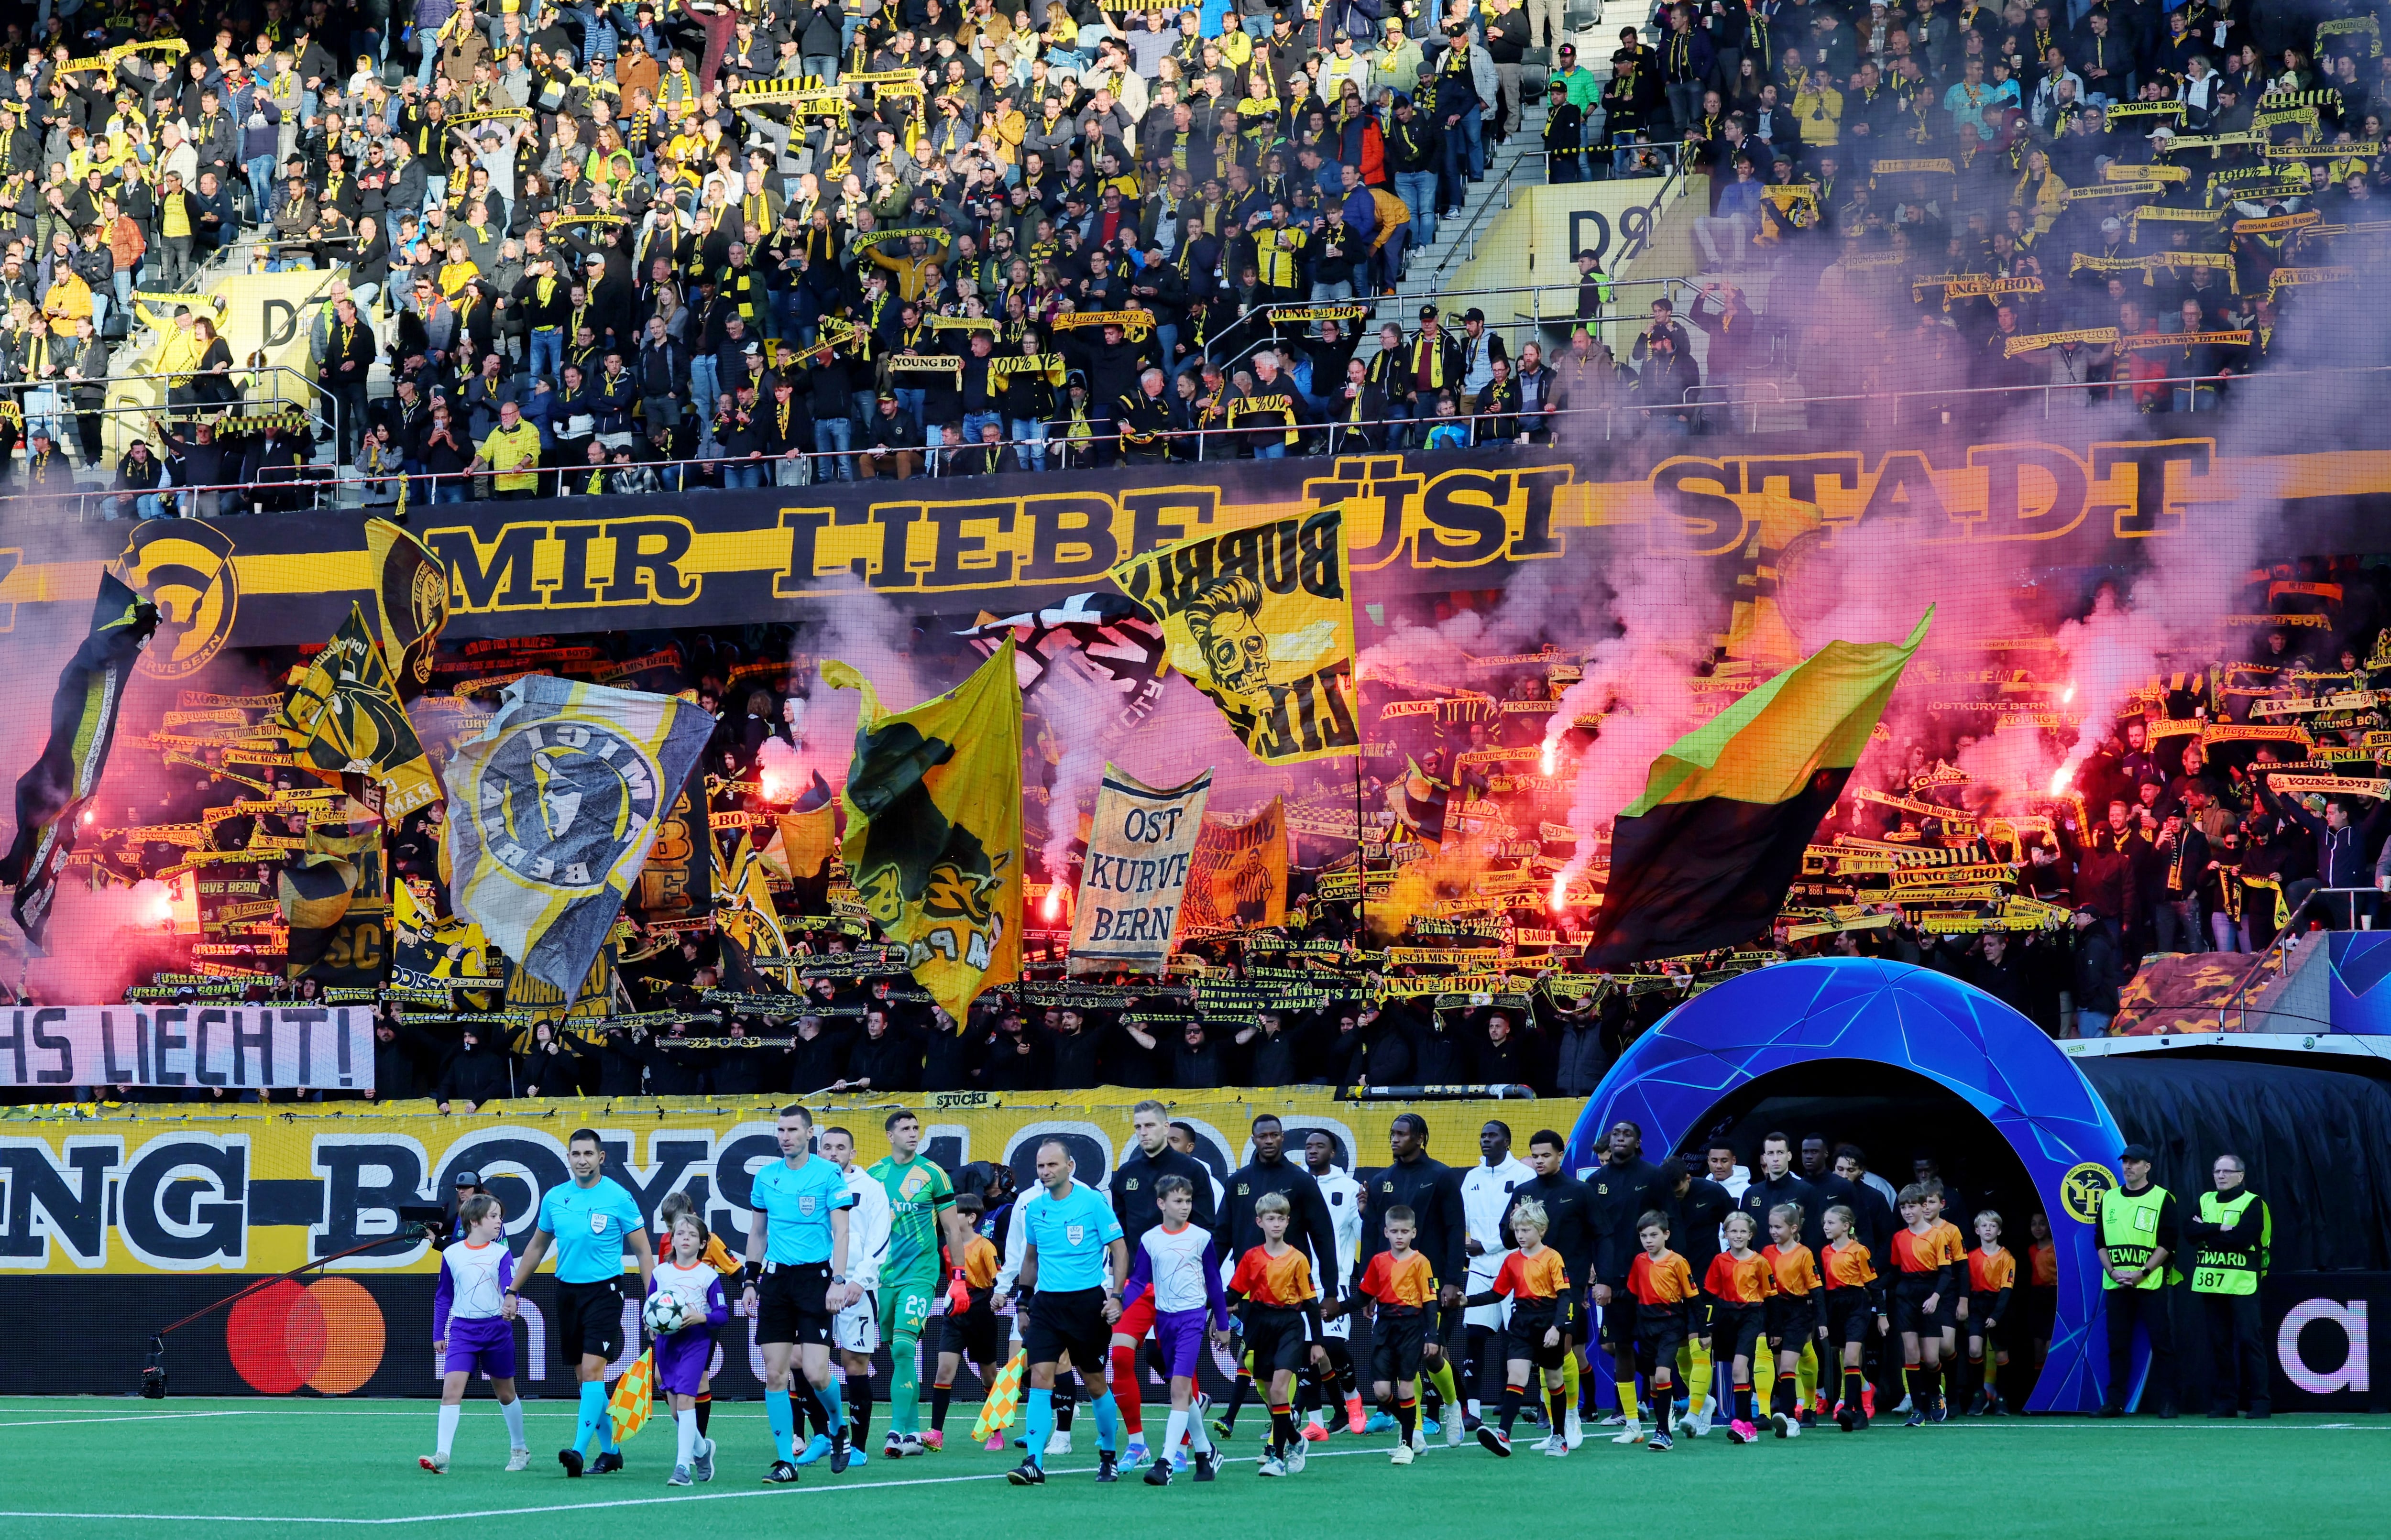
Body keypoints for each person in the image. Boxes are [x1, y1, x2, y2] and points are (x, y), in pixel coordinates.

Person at [500, 1128, 655, 1477]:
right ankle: (612, 1451)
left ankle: (579, 1451)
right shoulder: (556, 1198)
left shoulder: (619, 1197)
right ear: (569, 1157)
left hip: (606, 1291)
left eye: (589, 1153)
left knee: (592, 1371)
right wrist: (512, 1289)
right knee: (584, 1381)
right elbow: (537, 1247)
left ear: (601, 1158)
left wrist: (653, 1299)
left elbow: (644, 1250)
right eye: (576, 1154)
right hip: (567, 1291)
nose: (582, 1159)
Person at [995, 1139, 1130, 1486]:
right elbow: (1030, 1259)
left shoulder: (1092, 1202)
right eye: (1041, 1166)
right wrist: (1023, 1303)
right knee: (1041, 1376)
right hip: (1047, 1305)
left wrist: (1116, 1296)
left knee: (1095, 1381)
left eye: (1052, 1165)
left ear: (1070, 1166)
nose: (1045, 1172)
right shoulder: (1034, 1208)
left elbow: (1119, 1248)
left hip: (1087, 1304)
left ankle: (1108, 1455)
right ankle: (1034, 1462)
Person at [739, 1104, 858, 1484]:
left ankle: (838, 1428)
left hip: (816, 1280)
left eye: (792, 1129)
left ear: (810, 1134)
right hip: (775, 1281)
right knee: (775, 1373)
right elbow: (758, 1233)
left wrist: (838, 1280)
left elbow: (842, 1232)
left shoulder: (828, 1174)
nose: (785, 1136)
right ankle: (784, 1460)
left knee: (815, 1372)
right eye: (780, 1130)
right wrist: (750, 1280)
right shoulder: (766, 1176)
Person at [1108, 1100, 1220, 1463]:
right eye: (1138, 1126)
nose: (1144, 1133)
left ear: (1165, 1126)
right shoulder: (1125, 1174)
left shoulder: (1193, 1170)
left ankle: (1187, 1445)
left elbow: (1206, 1231)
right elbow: (1120, 1240)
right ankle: (1138, 1442)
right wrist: (1116, 1290)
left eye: (1150, 1126)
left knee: (1179, 1368)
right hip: (1140, 1286)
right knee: (1121, 1354)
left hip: (1180, 1286)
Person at [866, 1109, 976, 1457]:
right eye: (905, 1128)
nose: (913, 1133)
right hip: (884, 1276)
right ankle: (914, 1432)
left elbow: (951, 1230)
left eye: (916, 1128)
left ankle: (896, 1431)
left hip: (921, 1273)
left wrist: (957, 1278)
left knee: (903, 1348)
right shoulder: (875, 1175)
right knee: (897, 1355)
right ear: (890, 1135)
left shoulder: (933, 1174)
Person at [1118, 1173, 1229, 1485]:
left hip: (1193, 1318)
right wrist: (1120, 1305)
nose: (1185, 1206)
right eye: (1178, 1201)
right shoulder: (1151, 1238)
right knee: (1185, 1393)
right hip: (1164, 1320)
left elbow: (1215, 1282)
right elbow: (1139, 1280)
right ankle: (1206, 1454)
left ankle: (1165, 1461)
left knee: (1179, 1389)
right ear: (1161, 1203)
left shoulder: (1201, 1237)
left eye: (1188, 1201)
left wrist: (1222, 1323)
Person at [1366, 1114, 1469, 1443]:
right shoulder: (1382, 1180)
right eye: (1392, 1133)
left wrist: (1453, 1279)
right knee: (1405, 1361)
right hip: (1393, 1290)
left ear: (1421, 1137)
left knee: (1432, 1352)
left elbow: (1456, 1230)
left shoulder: (1441, 1176)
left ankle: (1452, 1407)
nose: (1395, 1139)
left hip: (1433, 1282)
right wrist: (1367, 1288)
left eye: (1402, 1133)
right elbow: (1372, 1236)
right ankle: (1416, 1429)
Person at [1225, 1191, 1334, 1479]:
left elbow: (1311, 1303)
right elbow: (1234, 1293)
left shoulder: (1298, 1259)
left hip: (1289, 1324)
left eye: (1281, 1219)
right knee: (1269, 1392)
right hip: (1259, 1325)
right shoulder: (1251, 1257)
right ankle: (1297, 1441)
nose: (1276, 1224)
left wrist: (1318, 1343)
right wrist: (1210, 1304)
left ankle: (1277, 1458)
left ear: (1288, 1222)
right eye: (1270, 1218)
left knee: (1278, 1390)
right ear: (1259, 1222)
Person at [422, 1194, 529, 1475]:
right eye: (493, 1216)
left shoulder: (501, 1253)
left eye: (499, 1216)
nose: (499, 1222)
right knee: (451, 1392)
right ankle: (442, 1454)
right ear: (474, 1221)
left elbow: (510, 1283)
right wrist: (438, 1333)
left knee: (506, 1394)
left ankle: (519, 1449)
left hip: (496, 1330)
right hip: (462, 1332)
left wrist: (511, 1300)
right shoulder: (452, 1254)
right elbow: (444, 1296)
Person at [1464, 1201, 1577, 1458]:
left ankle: (1559, 1437)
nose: (1521, 1236)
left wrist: (1557, 1328)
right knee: (1516, 1376)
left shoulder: (1552, 1257)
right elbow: (1497, 1293)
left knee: (1554, 1380)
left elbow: (1565, 1296)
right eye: (1517, 1231)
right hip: (1522, 1324)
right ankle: (1504, 1435)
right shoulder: (1512, 1260)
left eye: (1526, 1230)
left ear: (1542, 1230)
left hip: (1548, 1323)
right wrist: (1466, 1301)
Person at [1584, 1119, 1667, 1435]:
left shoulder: (1653, 1176)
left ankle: (1667, 1405)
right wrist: (1594, 1271)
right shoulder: (1595, 1181)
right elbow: (1590, 1231)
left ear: (1638, 1140)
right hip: (1612, 1278)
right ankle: (1628, 1415)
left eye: (1627, 1133)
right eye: (1616, 1133)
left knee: (1654, 1345)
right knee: (1618, 1344)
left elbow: (1670, 1221)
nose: (1620, 1138)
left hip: (1651, 1275)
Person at [819, 1125, 893, 1466]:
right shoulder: (810, 1182)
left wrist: (861, 1280)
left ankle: (859, 1447)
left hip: (856, 1286)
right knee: (802, 1363)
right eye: (827, 1147)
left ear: (853, 1153)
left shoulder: (871, 1188)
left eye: (840, 1147)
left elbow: (879, 1237)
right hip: (815, 1283)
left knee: (854, 1362)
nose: (833, 1153)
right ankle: (824, 1435)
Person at [1347, 1202, 1440, 1465]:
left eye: (1405, 1231)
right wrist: (1336, 1310)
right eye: (1394, 1231)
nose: (1400, 1236)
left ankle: (1407, 1443)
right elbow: (1364, 1296)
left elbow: (1430, 1301)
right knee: (1381, 1391)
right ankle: (1411, 1429)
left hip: (1411, 1327)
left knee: (1407, 1387)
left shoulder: (1421, 1262)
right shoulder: (1378, 1262)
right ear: (1386, 1232)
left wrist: (1432, 1336)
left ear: (1414, 1232)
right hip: (1384, 1327)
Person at [1458, 1119, 1535, 1430]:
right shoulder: (1471, 1177)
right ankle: (1472, 1410)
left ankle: (1535, 1404)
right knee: (1474, 1337)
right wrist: (1467, 1248)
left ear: (1507, 1141)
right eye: (1482, 1135)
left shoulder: (1524, 1176)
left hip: (1516, 1266)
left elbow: (1529, 1223)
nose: (1485, 1140)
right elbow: (1460, 1221)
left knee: (1518, 1338)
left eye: (1492, 1135)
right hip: (1479, 1269)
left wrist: (1484, 1244)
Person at [2095, 1142, 2182, 1418]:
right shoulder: (2109, 1198)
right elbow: (2100, 1241)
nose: (2128, 1167)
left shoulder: (2162, 1198)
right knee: (2117, 1344)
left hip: (2150, 1284)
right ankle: (2115, 1402)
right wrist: (2112, 1272)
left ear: (2148, 1167)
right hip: (2117, 1284)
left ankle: (2168, 1401)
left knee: (2162, 1342)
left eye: (2135, 1162)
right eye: (2125, 1162)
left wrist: (2142, 1272)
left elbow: (2168, 1243)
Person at [2185, 1153, 2271, 1418]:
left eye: (2226, 1172)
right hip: (2212, 1285)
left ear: (2240, 1176)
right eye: (2216, 1171)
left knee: (2250, 1342)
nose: (2220, 1176)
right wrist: (2221, 1228)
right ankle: (2226, 1403)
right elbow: (2189, 1233)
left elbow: (2242, 1239)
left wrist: (2208, 1232)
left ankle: (2260, 1402)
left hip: (2242, 1284)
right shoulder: (2205, 1200)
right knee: (2220, 1345)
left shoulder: (2253, 1203)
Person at [649, 1211, 731, 1486]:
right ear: (671, 1240)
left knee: (686, 1402)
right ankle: (702, 1450)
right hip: (667, 1344)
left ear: (703, 1244)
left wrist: (701, 1318)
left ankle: (682, 1468)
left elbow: (722, 1313)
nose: (686, 1239)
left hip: (695, 1342)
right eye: (680, 1234)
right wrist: (650, 1324)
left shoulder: (708, 1275)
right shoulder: (660, 1273)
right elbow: (650, 1306)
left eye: (693, 1235)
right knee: (676, 1411)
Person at [1304, 1129, 1370, 1438]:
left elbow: (1363, 1238)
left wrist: (1365, 1214)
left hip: (1336, 1282)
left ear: (1334, 1152)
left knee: (1331, 1346)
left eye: (1320, 1145)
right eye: (1309, 1146)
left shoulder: (1349, 1187)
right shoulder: (1297, 1184)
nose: (1313, 1150)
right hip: (1297, 1283)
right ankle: (1319, 1420)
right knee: (1306, 1352)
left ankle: (1352, 1396)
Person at [930, 1192, 1005, 1450]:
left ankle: (996, 1432)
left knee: (989, 1376)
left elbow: (999, 1281)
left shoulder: (986, 1247)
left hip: (981, 1313)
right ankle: (936, 1433)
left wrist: (999, 1298)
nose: (949, 1216)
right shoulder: (947, 1248)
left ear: (972, 1218)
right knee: (944, 1370)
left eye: (956, 1212)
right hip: (955, 1313)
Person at [1889, 1181, 1963, 1428]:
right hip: (1907, 1296)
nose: (1908, 1212)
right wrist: (1872, 1285)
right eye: (1903, 1208)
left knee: (1931, 1358)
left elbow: (1945, 1272)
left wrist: (1935, 1297)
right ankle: (1918, 1409)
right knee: (1911, 1352)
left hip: (1930, 1293)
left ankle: (1936, 1394)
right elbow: (1895, 1271)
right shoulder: (1899, 1237)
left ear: (1924, 1207)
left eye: (1912, 1207)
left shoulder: (1938, 1235)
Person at [1624, 1212, 1697, 1452]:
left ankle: (1664, 1433)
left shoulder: (1678, 1262)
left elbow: (1692, 1297)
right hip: (1646, 1325)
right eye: (1644, 1236)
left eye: (1654, 1235)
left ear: (1666, 1234)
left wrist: (1701, 1331)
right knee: (1655, 1382)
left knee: (1664, 1375)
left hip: (1670, 1323)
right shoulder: (1639, 1261)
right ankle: (1664, 1421)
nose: (1649, 1240)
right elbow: (1633, 1294)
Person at [1703, 1211, 1774, 1445]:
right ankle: (1747, 1427)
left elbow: (1769, 1296)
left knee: (1739, 1369)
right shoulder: (1719, 1261)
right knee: (1737, 1370)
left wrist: (1774, 1329)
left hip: (1751, 1316)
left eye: (1743, 1231)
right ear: (1725, 1234)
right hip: (1726, 1317)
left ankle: (1743, 1424)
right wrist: (1708, 1328)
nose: (1738, 1235)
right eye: (1733, 1231)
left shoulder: (1760, 1262)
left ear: (1751, 1234)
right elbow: (1711, 1296)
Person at [1820, 1203, 1886, 1431]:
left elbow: (1874, 1285)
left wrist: (1882, 1315)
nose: (1826, 1227)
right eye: (1825, 1223)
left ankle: (1850, 1408)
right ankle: (1856, 1408)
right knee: (1842, 1355)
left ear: (1846, 1226)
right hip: (1835, 1305)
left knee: (1851, 1357)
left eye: (1831, 1223)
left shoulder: (1859, 1250)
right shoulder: (1826, 1251)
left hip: (1857, 1303)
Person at [1760, 1203, 1822, 1438]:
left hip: (1799, 1311)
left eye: (1778, 1227)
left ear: (1793, 1228)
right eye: (1771, 1227)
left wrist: (1820, 1320)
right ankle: (1789, 1411)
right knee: (1780, 1367)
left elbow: (1816, 1289)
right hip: (1775, 1311)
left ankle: (1791, 1418)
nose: (1773, 1231)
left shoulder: (1804, 1253)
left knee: (1788, 1365)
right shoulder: (1766, 1252)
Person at [1963, 1211, 2016, 1416]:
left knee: (2002, 1353)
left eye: (1992, 1226)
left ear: (1999, 1230)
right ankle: (1980, 1395)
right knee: (1975, 1350)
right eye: (1984, 1226)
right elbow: (1965, 1286)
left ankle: (2002, 1397)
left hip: (1998, 1306)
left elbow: (2006, 1290)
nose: (1988, 1229)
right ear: (1977, 1230)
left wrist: (1996, 1315)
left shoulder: (2007, 1257)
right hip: (1977, 1305)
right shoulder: (1971, 1257)